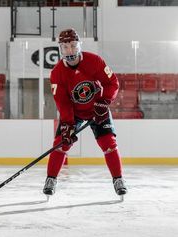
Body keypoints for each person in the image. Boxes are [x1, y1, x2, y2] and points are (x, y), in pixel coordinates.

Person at [43, 28, 127, 197]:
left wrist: (104, 102)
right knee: (61, 143)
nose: (70, 50)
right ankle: (51, 179)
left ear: (79, 45)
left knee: (108, 143)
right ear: (60, 49)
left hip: (98, 108)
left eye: (73, 46)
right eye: (65, 47)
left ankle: (118, 179)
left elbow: (112, 83)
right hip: (75, 113)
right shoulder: (57, 73)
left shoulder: (94, 61)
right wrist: (67, 124)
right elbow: (63, 102)